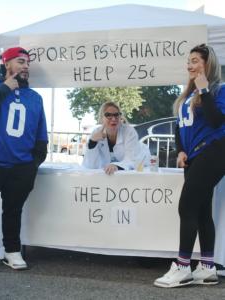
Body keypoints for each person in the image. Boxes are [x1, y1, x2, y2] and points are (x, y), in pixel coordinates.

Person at [154, 44, 225, 288]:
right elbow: (179, 126)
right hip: (193, 155)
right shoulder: (186, 95)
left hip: (214, 150)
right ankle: (207, 267)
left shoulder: (218, 89)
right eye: (188, 61)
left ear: (208, 64)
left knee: (187, 206)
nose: (189, 65)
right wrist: (180, 150)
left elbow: (217, 121)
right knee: (202, 209)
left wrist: (204, 90)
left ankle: (182, 266)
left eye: (195, 60)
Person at [0, 47, 48, 270]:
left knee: (13, 210)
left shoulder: (35, 98)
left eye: (27, 62)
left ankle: (11, 250)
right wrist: (5, 88)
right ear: (6, 63)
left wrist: (33, 163)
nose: (26, 66)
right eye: (21, 61)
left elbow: (41, 134)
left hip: (21, 166)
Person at [82, 101, 151, 174]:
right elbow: (90, 165)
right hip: (113, 170)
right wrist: (93, 141)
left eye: (116, 115)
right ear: (102, 118)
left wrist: (116, 166)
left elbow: (132, 159)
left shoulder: (129, 131)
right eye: (108, 115)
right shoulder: (96, 132)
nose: (113, 119)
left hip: (140, 162)